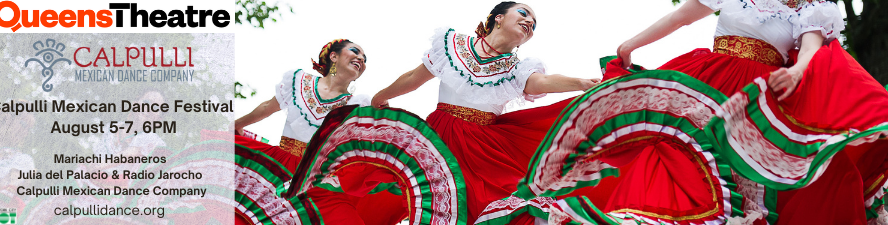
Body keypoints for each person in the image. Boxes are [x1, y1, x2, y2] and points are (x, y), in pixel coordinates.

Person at [506, 0, 888, 224]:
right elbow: (681, 17)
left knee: (815, 175)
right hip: (707, 79)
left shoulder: (812, 6)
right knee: (671, 150)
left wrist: (798, 71)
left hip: (758, 94)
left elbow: (811, 49)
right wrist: (631, 44)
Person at [345, 2, 600, 223]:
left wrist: (580, 83)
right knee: (433, 205)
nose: (530, 22)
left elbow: (540, 82)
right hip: (439, 139)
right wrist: (381, 96)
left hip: (482, 149)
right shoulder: (453, 46)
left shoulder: (516, 69)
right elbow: (414, 77)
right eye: (524, 13)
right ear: (498, 17)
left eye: (534, 24)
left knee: (515, 202)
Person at [232, 39, 407, 225]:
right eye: (355, 51)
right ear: (333, 56)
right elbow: (267, 106)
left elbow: (372, 147)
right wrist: (236, 125)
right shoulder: (298, 82)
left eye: (365, 58)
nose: (361, 59)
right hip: (279, 169)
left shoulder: (359, 105)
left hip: (320, 184)